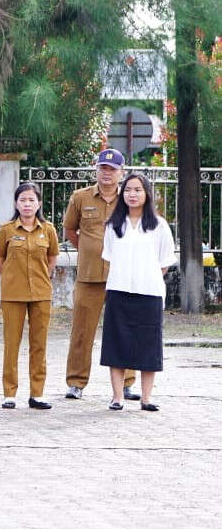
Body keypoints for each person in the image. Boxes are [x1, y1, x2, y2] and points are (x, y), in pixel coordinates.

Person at [63, 149, 138, 401]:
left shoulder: (130, 199)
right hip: (89, 275)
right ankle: (76, 382)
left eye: (112, 169)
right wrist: (89, 249)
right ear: (96, 169)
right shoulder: (80, 197)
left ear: (121, 173)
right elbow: (70, 230)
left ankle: (127, 383)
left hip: (122, 276)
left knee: (124, 329)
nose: (107, 173)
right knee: (82, 330)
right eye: (103, 168)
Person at [99, 173, 175, 412]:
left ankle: (146, 397)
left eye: (138, 190)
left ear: (147, 194)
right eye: (128, 190)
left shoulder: (159, 226)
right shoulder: (114, 225)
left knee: (148, 345)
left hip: (149, 292)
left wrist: (146, 277)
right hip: (119, 291)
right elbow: (109, 256)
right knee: (116, 343)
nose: (132, 194)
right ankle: (117, 397)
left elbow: (164, 262)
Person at [0, 183, 59, 409]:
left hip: (41, 293)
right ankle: (9, 393)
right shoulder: (7, 230)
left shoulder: (48, 229)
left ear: (39, 203)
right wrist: (12, 277)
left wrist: (42, 277)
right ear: (16, 203)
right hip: (13, 294)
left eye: (31, 200)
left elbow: (52, 258)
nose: (27, 204)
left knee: (39, 344)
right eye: (23, 200)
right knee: (12, 344)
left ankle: (37, 393)